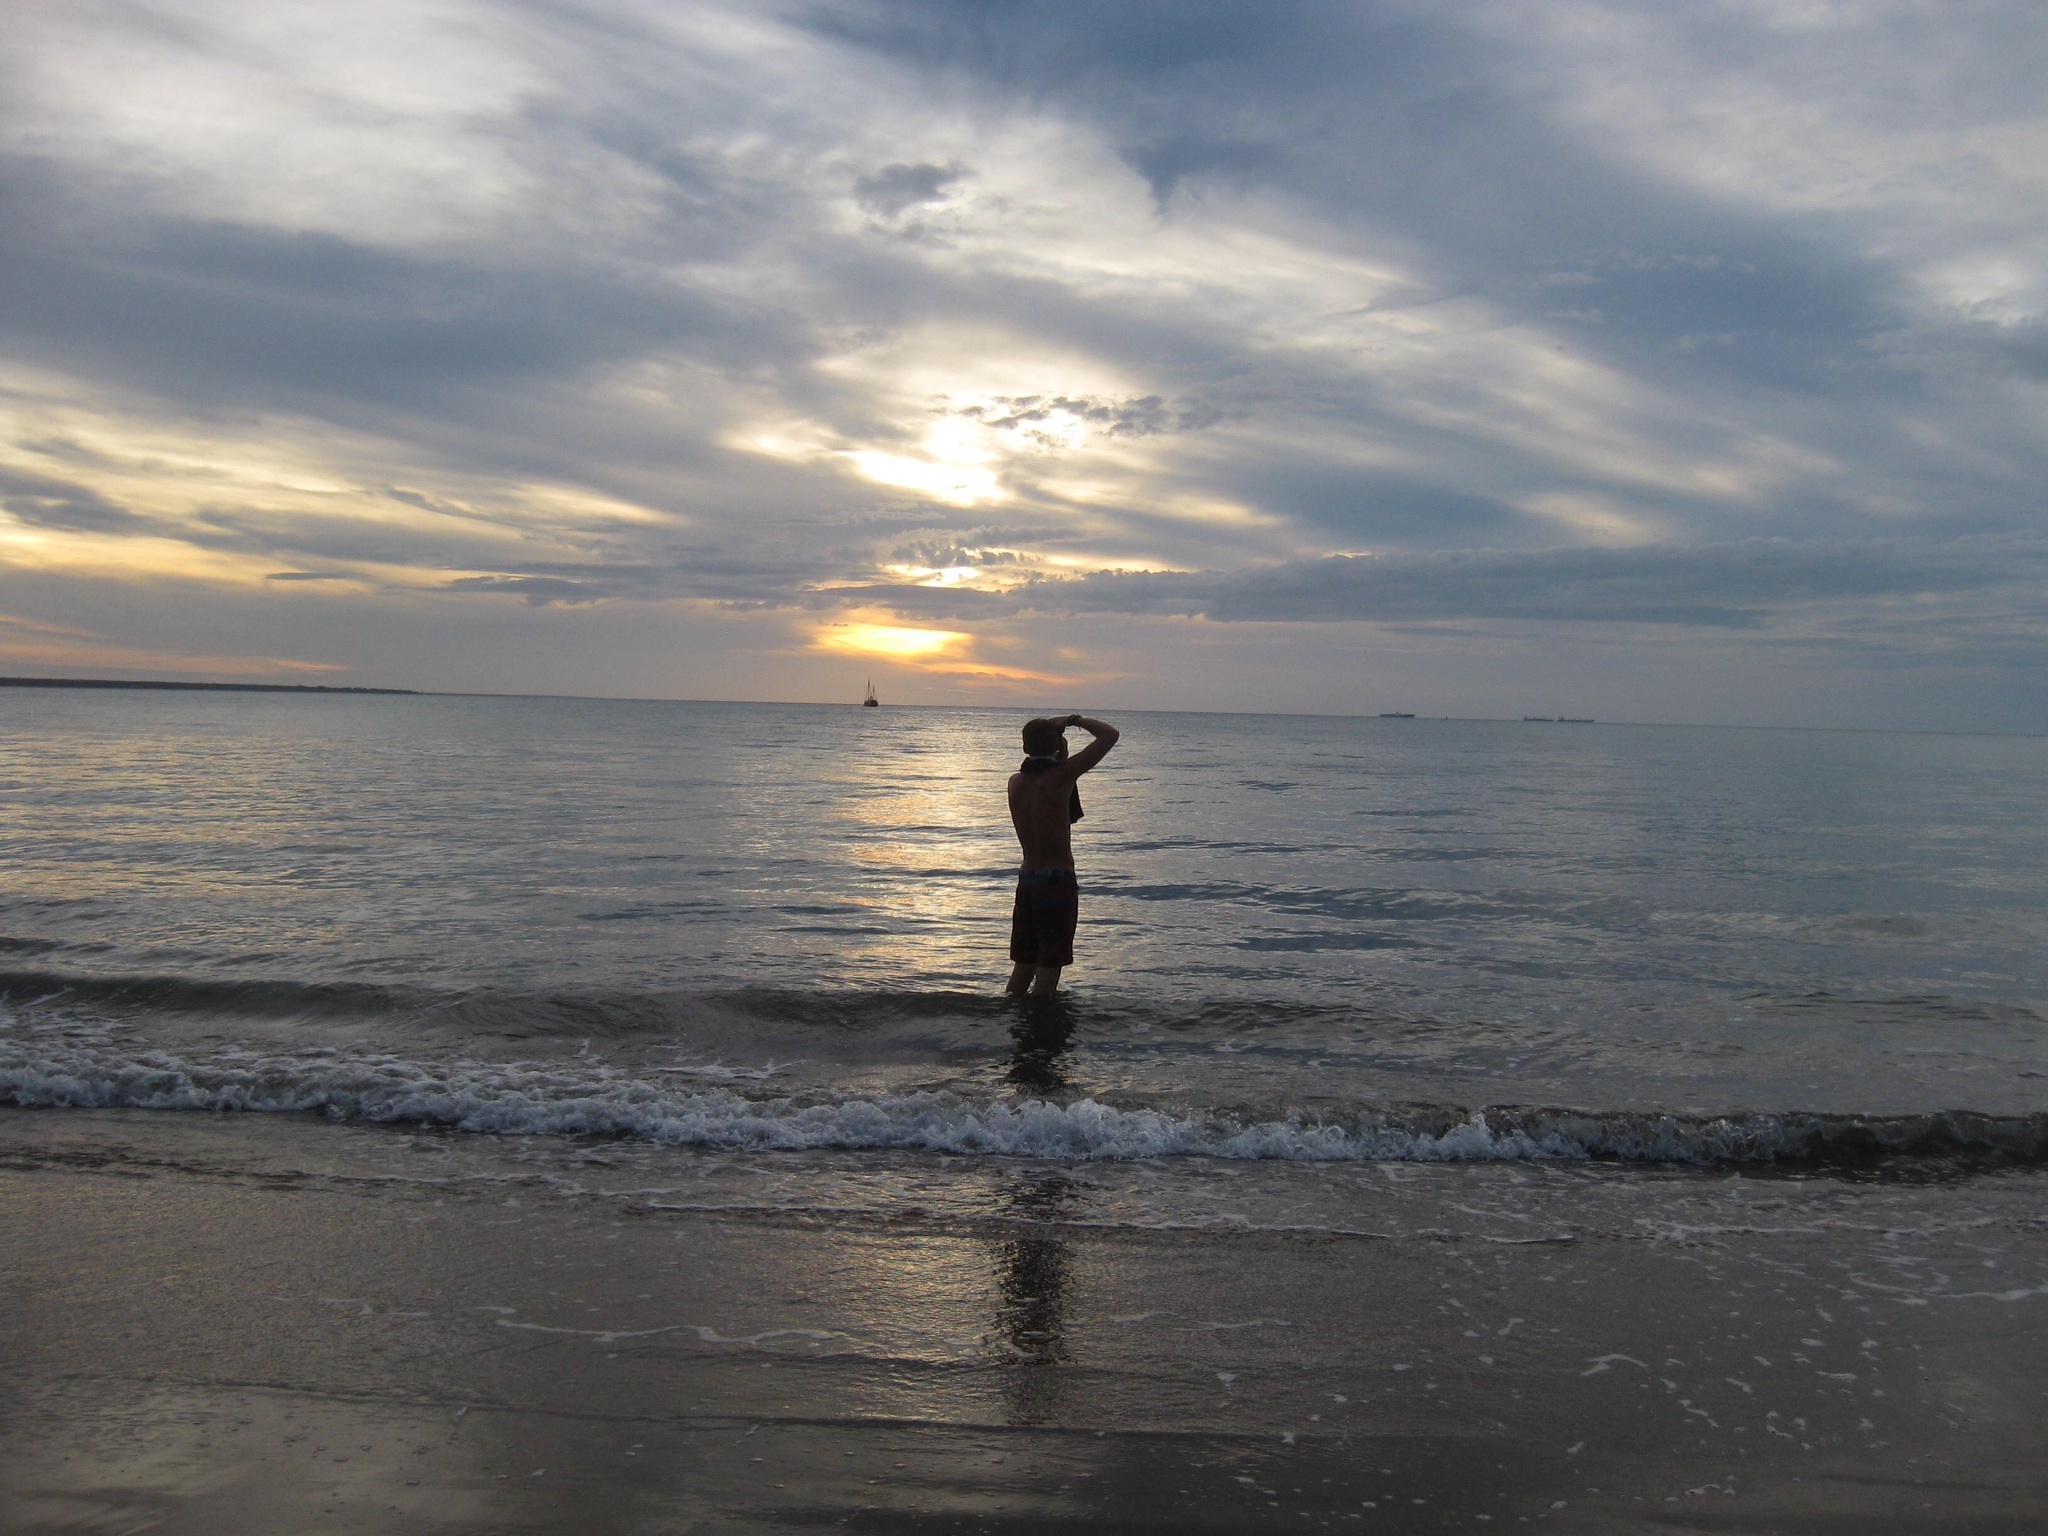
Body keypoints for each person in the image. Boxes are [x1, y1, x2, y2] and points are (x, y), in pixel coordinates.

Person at [1005, 713, 1119, 996]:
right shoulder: (1061, 777)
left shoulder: (1015, 783)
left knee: (1024, 964)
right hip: (1056, 882)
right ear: (1057, 746)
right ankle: (1042, 1020)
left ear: (1024, 747)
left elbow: (1044, 779)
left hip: (1027, 881)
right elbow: (1109, 735)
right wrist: (1073, 719)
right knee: (1049, 965)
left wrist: (1058, 748)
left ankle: (1009, 1015)